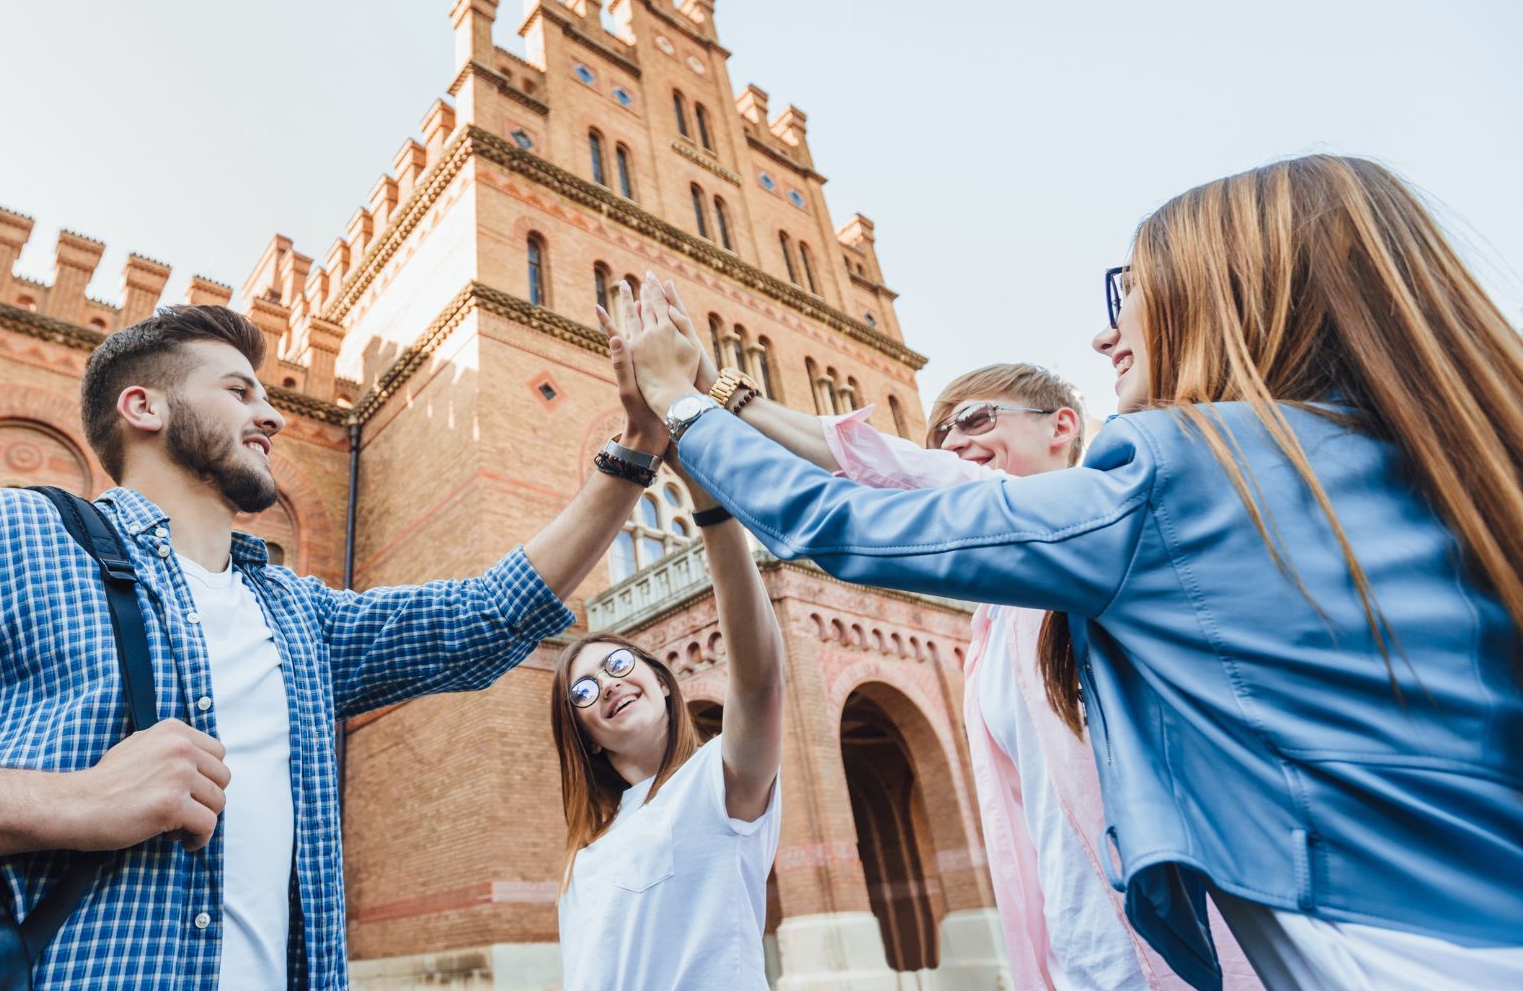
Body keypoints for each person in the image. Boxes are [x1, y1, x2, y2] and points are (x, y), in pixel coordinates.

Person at [623, 155, 1523, 991]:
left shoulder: (1179, 470)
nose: (1103, 334)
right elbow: (906, 468)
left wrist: (684, 406)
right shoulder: (1429, 463)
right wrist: (731, 397)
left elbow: (849, 519)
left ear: (1227, 293)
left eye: (1127, 291)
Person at [0, 304, 668, 991]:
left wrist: (633, 452)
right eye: (236, 390)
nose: (271, 412)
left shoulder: (298, 618)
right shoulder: (0, 535)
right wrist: (69, 802)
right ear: (144, 407)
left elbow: (486, 617)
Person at [551, 286, 783, 990]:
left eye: (619, 663)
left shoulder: (718, 783)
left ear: (661, 677)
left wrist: (707, 497)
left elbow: (756, 679)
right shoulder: (584, 856)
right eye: (584, 690)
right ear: (585, 733)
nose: (609, 684)